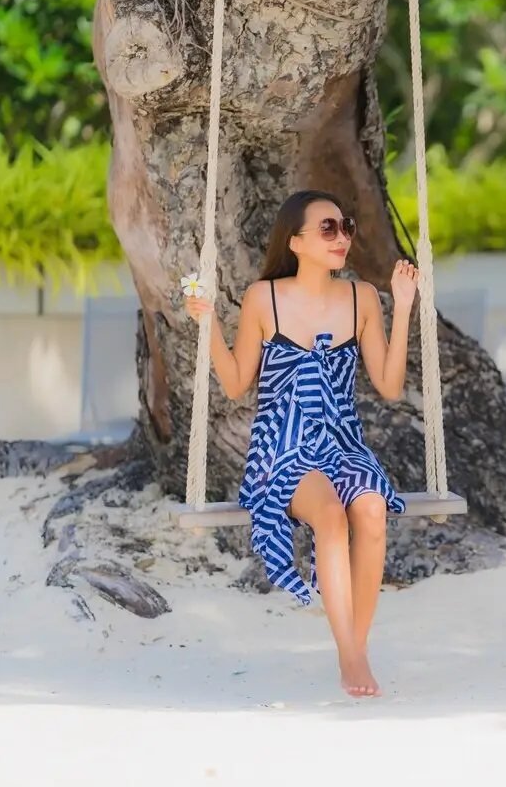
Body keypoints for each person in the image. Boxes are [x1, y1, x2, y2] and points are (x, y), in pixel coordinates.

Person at [184, 189, 418, 698]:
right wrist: (207, 327)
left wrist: (401, 309)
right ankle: (353, 659)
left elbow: (391, 385)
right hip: (283, 446)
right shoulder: (264, 298)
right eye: (328, 229)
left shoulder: (361, 298)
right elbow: (235, 383)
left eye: (346, 227)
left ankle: (353, 652)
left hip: (341, 444)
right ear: (296, 242)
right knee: (331, 517)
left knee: (372, 510)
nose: (342, 237)